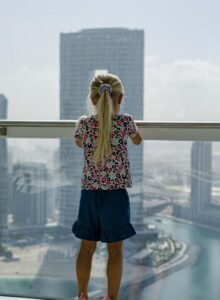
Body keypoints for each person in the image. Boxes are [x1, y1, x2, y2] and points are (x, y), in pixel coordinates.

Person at [71, 73, 143, 300]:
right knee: (115, 250)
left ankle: (82, 294)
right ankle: (111, 297)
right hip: (115, 197)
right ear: (120, 98)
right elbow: (138, 140)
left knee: (86, 248)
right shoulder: (125, 122)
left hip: (89, 195)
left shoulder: (84, 124)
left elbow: (78, 142)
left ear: (93, 100)